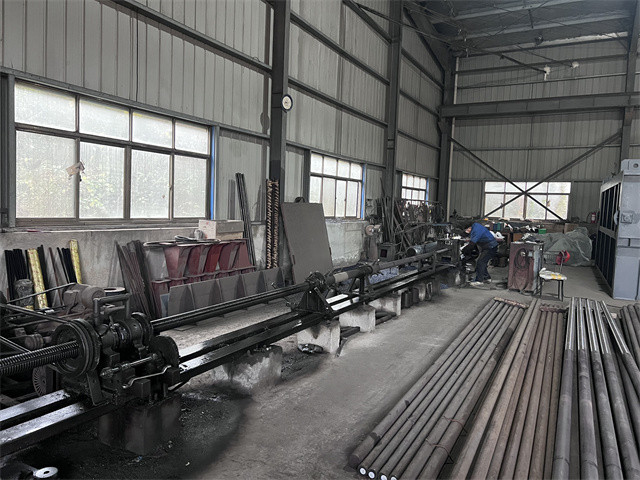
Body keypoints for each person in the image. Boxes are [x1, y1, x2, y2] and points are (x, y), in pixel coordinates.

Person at [464, 221, 498, 287]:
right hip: (490, 246)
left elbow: (472, 243)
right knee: (482, 262)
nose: (467, 231)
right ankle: (486, 278)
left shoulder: (476, 230)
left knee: (480, 262)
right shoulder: (476, 226)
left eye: (467, 230)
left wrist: (464, 250)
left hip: (490, 247)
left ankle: (479, 280)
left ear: (469, 227)